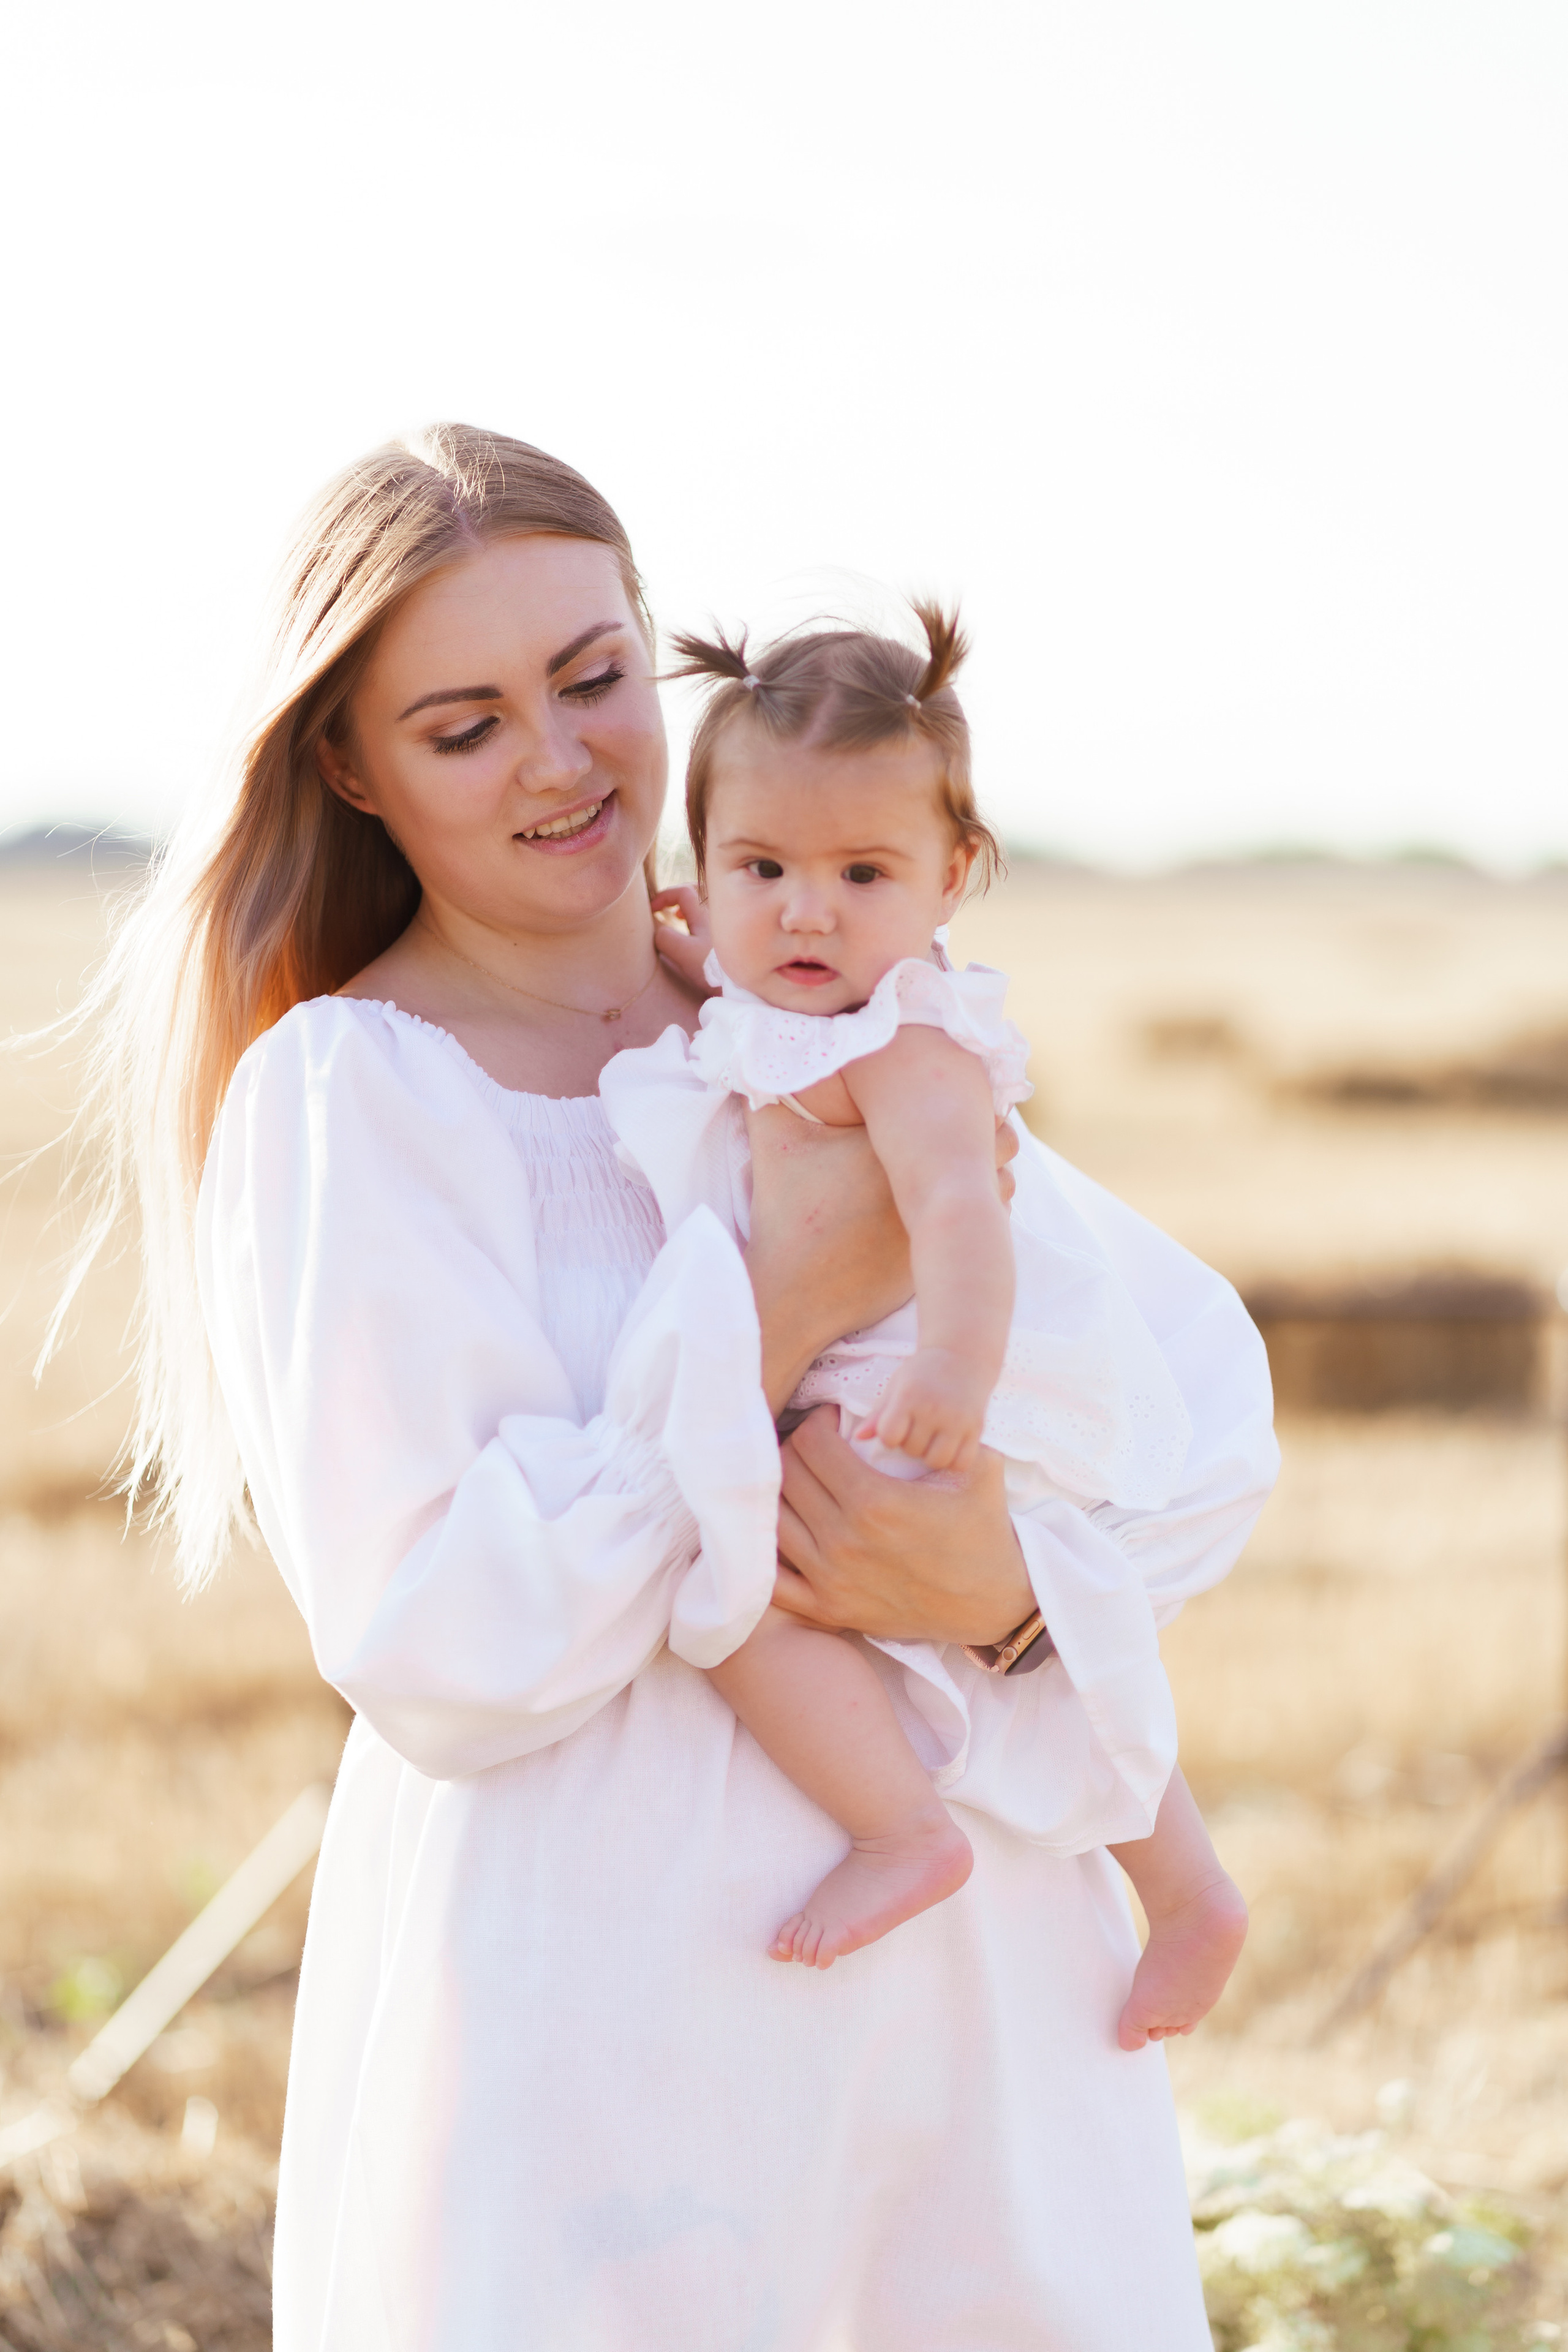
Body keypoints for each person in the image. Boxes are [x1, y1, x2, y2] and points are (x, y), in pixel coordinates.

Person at [64, 423, 1278, 2350]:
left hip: (975, 1982)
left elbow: (1194, 1414)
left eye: (592, 676)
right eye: (463, 726)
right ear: (351, 763)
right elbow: (437, 1630)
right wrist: (771, 1324)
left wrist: (1012, 1596)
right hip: (609, 2009)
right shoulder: (355, 1098)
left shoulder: (806, 1001)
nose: (560, 760)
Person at [598, 603, 1249, 2043]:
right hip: (861, 1371)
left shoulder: (906, 1041)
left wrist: (953, 1373)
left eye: (860, 872)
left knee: (739, 1606)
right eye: (758, 867)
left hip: (938, 1376)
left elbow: (957, 1210)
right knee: (999, 1636)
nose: (806, 912)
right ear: (694, 880)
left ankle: (927, 1836)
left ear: (952, 878)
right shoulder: (779, 998)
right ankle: (1181, 1886)